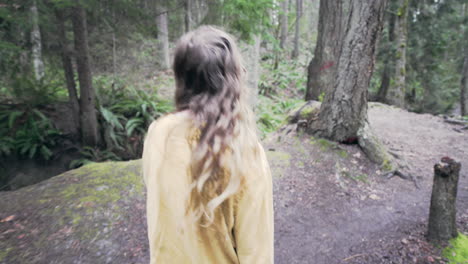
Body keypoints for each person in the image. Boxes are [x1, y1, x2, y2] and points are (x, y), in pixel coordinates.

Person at [142, 26, 274, 264]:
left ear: (181, 77)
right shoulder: (244, 151)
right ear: (232, 80)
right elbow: (256, 253)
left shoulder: (158, 132)